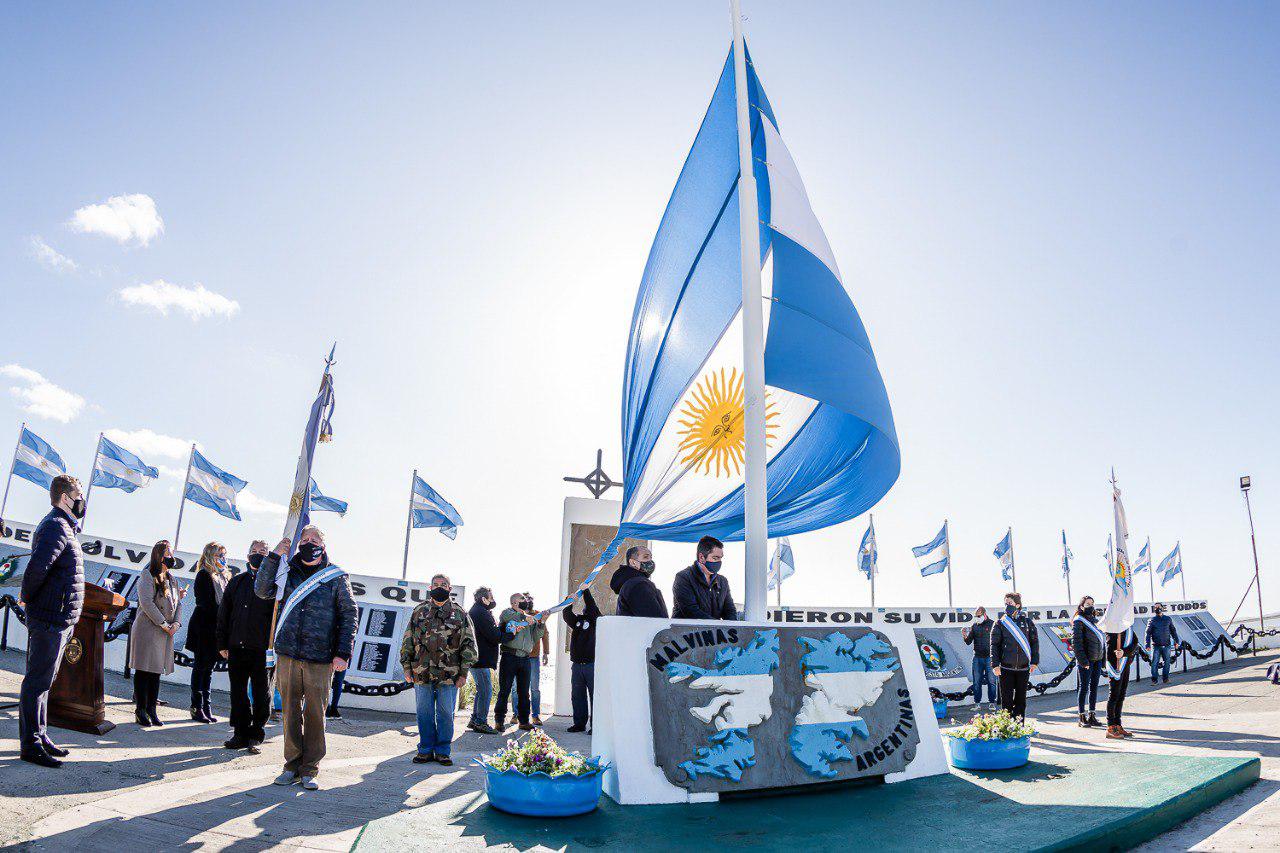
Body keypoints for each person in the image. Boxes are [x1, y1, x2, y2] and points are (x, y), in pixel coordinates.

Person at [255, 526, 357, 791]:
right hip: (288, 653)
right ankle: (291, 765)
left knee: (314, 715)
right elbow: (262, 590)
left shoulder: (335, 576)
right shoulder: (285, 570)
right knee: (289, 712)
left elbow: (349, 615)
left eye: (314, 540)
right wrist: (274, 556)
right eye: (305, 539)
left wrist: (342, 653)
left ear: (323, 546)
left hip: (320, 657)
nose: (309, 543)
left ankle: (310, 768)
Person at [18, 474, 86, 768]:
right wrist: (26, 597)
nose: (83, 501)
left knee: (46, 682)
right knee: (37, 681)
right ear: (65, 498)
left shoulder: (66, 527)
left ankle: (41, 735)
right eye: (79, 495)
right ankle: (30, 744)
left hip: (59, 618)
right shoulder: (55, 526)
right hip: (48, 616)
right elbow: (37, 568)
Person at [400, 574, 477, 765]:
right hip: (422, 672)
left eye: (443, 584)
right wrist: (407, 667)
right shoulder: (419, 611)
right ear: (430, 588)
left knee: (445, 714)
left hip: (449, 674)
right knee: (424, 713)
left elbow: (469, 644)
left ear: (450, 588)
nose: (439, 587)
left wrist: (464, 673)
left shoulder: (459, 613)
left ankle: (443, 751)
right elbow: (408, 639)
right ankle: (425, 749)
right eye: (435, 584)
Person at [217, 540, 274, 751]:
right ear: (247, 555)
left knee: (261, 694)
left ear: (269, 556)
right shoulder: (236, 582)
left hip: (262, 650)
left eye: (262, 552)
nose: (257, 554)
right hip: (236, 647)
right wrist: (222, 643)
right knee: (238, 693)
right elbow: (224, 613)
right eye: (254, 551)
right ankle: (239, 733)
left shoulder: (275, 585)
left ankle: (256, 734)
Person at [130, 540, 187, 728]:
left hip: (165, 631)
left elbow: (178, 604)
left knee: (155, 672)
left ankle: (151, 710)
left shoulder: (172, 579)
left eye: (172, 554)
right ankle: (140, 710)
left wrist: (176, 623)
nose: (171, 557)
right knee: (143, 670)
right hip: (149, 629)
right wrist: (164, 624)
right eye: (168, 554)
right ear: (159, 556)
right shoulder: (148, 575)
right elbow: (146, 603)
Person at [185, 541, 230, 723]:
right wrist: (223, 615)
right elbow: (204, 602)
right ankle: (197, 706)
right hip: (204, 628)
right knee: (201, 667)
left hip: (216, 630)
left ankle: (207, 707)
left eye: (224, 555)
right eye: (220, 555)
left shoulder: (224, 576)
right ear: (211, 556)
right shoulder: (204, 575)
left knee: (209, 669)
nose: (223, 559)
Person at [494, 592, 546, 732]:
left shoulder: (529, 619)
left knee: (524, 692)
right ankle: (499, 721)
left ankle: (524, 721)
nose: (525, 600)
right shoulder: (507, 613)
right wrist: (525, 617)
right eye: (522, 598)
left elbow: (536, 636)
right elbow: (511, 617)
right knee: (505, 690)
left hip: (525, 659)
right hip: (509, 657)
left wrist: (541, 623)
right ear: (514, 603)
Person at [990, 591, 1038, 720]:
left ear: (1017, 605)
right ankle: (1007, 727)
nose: (1007, 606)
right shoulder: (1000, 623)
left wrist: (1034, 661)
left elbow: (1034, 642)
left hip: (1023, 668)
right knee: (1006, 702)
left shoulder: (1027, 622)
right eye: (1005, 603)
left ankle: (1019, 727)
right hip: (1006, 668)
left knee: (1021, 701)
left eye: (1010, 603)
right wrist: (995, 665)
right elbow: (994, 645)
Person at [561, 588, 601, 733]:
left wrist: (585, 591)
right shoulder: (577, 621)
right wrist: (569, 601)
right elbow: (567, 614)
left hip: (592, 664)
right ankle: (579, 724)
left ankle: (596, 727)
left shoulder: (597, 621)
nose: (586, 609)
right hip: (577, 665)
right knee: (577, 696)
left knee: (595, 696)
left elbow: (592, 608)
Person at [672, 536, 737, 621]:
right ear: (701, 557)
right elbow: (691, 611)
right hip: (687, 629)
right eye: (715, 558)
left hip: (714, 629)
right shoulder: (683, 577)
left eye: (720, 558)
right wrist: (717, 625)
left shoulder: (722, 581)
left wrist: (732, 626)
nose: (719, 562)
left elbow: (729, 610)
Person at [466, 587, 501, 734]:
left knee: (482, 690)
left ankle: (475, 719)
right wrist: (509, 633)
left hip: (478, 659)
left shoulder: (477, 611)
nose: (493, 600)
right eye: (490, 597)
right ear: (484, 599)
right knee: (486, 691)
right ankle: (480, 722)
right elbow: (493, 636)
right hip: (480, 659)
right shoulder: (481, 613)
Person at [1070, 596, 1106, 728]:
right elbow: (1076, 643)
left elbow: (1102, 642)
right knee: (1084, 688)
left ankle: (1092, 715)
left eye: (1092, 603)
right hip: (1086, 660)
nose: (1090, 606)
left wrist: (1103, 660)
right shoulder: (1078, 621)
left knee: (1094, 688)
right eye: (1087, 604)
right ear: (1081, 606)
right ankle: (1081, 716)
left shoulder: (1095, 621)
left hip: (1097, 659)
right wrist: (1083, 661)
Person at [609, 545, 669, 618]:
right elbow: (653, 620)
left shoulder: (631, 583)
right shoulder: (639, 585)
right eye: (646, 557)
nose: (650, 561)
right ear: (633, 562)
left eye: (651, 557)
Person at [1105, 625, 1139, 739]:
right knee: (1114, 695)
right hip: (1116, 665)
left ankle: (1118, 724)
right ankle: (1110, 727)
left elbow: (1135, 642)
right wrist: (1118, 655)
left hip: (1125, 662)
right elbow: (1110, 646)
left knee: (1121, 695)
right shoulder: (1112, 626)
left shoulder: (1127, 627)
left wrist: (1125, 652)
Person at [962, 606, 997, 708]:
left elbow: (998, 640)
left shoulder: (993, 624)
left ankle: (992, 703)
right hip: (977, 658)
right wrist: (964, 635)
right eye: (975, 616)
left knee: (992, 681)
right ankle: (977, 704)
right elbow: (968, 642)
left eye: (979, 616)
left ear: (984, 614)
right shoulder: (974, 626)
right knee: (976, 682)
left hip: (990, 658)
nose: (977, 618)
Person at [525, 592, 550, 726]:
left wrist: (546, 652)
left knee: (534, 688)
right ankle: (516, 714)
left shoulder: (538, 615)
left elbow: (545, 634)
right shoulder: (518, 615)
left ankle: (535, 715)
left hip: (534, 657)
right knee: (516, 688)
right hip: (519, 656)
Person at [1144, 604, 1181, 685]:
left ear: (1162, 608)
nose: (1157, 608)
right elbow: (1148, 633)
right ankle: (1154, 680)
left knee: (1167, 662)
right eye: (1155, 607)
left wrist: (1176, 642)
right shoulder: (1152, 620)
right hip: (1156, 646)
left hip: (1167, 645)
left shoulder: (1168, 619)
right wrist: (1147, 644)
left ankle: (1166, 679)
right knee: (1154, 663)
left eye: (1159, 607)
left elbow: (1173, 631)